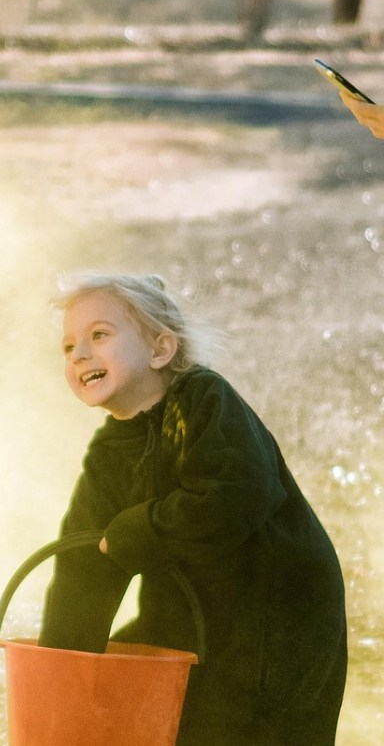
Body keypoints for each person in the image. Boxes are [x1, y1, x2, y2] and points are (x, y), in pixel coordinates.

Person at [39, 273, 347, 746]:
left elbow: (234, 495)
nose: (79, 354)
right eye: (68, 346)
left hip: (279, 613)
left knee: (263, 732)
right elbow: (83, 567)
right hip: (192, 614)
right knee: (148, 709)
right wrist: (62, 673)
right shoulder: (108, 455)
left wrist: (142, 530)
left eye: (99, 335)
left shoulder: (205, 399)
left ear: (160, 349)